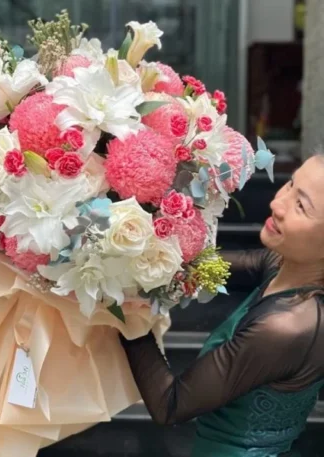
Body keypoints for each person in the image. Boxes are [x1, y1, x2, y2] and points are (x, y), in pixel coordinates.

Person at [120, 154, 324, 457]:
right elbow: (201, 267)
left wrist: (120, 310)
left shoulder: (286, 327)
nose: (277, 204)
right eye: (290, 184)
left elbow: (170, 404)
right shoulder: (283, 264)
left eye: (301, 206)